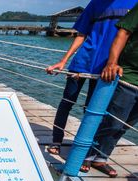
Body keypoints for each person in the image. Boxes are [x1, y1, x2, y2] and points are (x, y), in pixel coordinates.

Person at [45, 0, 137, 155]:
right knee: (67, 101)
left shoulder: (134, 4)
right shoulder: (96, 3)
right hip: (82, 61)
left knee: (93, 109)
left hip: (106, 67)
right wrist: (63, 60)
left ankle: (83, 147)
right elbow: (82, 34)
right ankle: (56, 140)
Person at [82, 4, 138, 177]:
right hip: (130, 76)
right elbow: (123, 32)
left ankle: (101, 158)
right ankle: (86, 153)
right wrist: (112, 62)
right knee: (113, 121)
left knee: (127, 125)